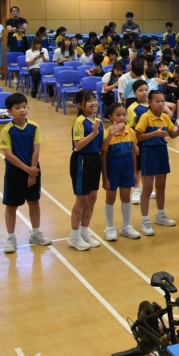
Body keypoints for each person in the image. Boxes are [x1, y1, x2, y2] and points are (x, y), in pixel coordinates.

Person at [0, 93, 52, 254]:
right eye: (17, 108)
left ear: (28, 107)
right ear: (10, 111)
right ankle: (10, 237)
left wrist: (32, 172)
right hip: (15, 171)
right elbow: (9, 155)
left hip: (33, 169)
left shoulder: (34, 127)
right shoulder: (7, 130)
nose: (22, 110)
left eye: (24, 107)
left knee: (34, 202)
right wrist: (27, 170)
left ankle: (35, 233)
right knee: (11, 206)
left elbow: (36, 151)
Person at [133, 90, 179, 235]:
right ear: (149, 102)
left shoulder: (165, 117)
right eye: (157, 101)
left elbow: (172, 135)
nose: (161, 104)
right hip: (149, 153)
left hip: (162, 152)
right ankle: (145, 220)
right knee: (147, 189)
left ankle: (161, 215)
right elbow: (137, 136)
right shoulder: (145, 117)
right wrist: (155, 133)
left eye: (163, 101)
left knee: (161, 187)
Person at [68, 91, 104, 251]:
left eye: (94, 99)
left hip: (95, 159)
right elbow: (78, 145)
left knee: (92, 198)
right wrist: (94, 133)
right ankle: (74, 236)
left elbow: (102, 145)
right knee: (82, 199)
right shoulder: (80, 121)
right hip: (81, 160)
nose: (93, 103)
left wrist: (112, 133)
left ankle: (84, 232)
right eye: (89, 101)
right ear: (80, 105)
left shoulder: (99, 121)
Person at [101, 102, 141, 241]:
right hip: (112, 167)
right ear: (111, 117)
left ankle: (126, 226)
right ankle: (110, 227)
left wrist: (134, 172)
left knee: (126, 197)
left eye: (124, 114)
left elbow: (133, 153)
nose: (122, 118)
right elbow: (103, 156)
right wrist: (105, 177)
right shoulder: (107, 133)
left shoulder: (130, 131)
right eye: (118, 115)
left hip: (127, 167)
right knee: (110, 198)